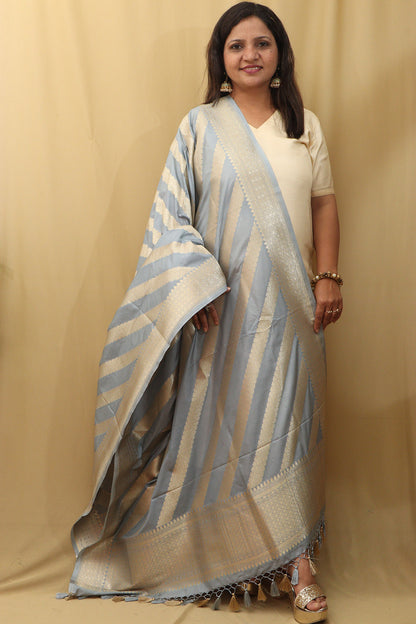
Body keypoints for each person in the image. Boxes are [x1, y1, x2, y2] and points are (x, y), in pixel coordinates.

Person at [68, 3, 342, 623]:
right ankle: (219, 552)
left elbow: (324, 204)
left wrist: (328, 276)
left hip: (294, 310)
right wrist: (195, 289)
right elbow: (172, 217)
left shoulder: (304, 125)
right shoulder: (198, 126)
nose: (250, 55)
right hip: (220, 312)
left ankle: (299, 565)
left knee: (289, 424)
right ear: (220, 58)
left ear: (280, 54)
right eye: (236, 45)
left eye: (262, 43)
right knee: (230, 430)